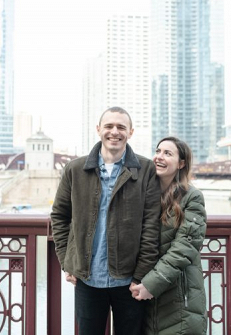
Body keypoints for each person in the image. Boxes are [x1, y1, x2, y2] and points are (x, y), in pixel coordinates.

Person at [51, 106, 161, 335]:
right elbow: (60, 217)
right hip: (87, 278)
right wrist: (67, 261)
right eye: (109, 126)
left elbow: (151, 225)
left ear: (130, 132)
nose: (115, 132)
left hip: (130, 280)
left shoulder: (145, 169)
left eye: (121, 127)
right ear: (98, 129)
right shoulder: (75, 169)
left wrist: (141, 274)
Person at [130, 136, 207, 335]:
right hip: (143, 295)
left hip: (179, 297)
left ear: (181, 163)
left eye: (167, 153)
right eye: (157, 151)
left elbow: (185, 247)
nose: (159, 157)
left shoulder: (192, 197)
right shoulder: (143, 194)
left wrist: (151, 284)